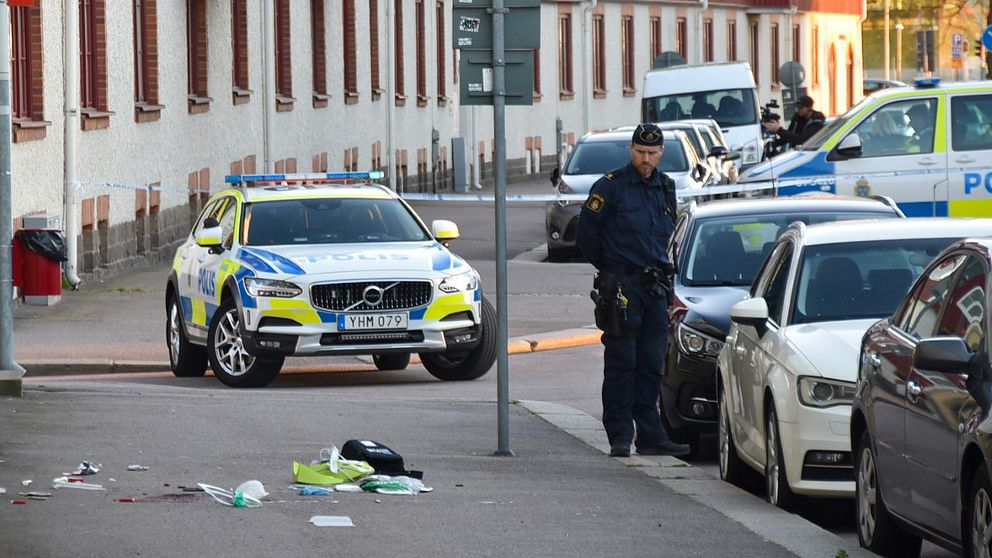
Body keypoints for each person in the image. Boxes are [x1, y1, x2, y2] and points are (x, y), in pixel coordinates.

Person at [575, 123, 691, 459]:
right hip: (621, 287)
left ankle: (651, 435)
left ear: (660, 154)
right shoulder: (610, 187)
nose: (646, 158)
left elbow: (666, 237)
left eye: (652, 153)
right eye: (640, 152)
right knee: (622, 363)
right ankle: (620, 436)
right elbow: (586, 235)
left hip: (654, 287)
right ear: (631, 150)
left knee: (652, 363)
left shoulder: (665, 187)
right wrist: (612, 267)